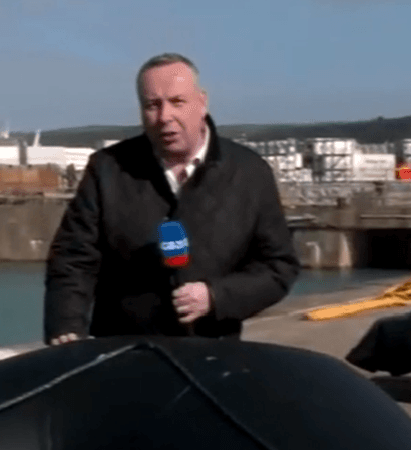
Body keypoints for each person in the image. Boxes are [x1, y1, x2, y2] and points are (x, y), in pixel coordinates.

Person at [44, 53, 300, 346]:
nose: (165, 116)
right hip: (124, 352)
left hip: (212, 352)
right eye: (153, 105)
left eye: (177, 102)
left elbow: (278, 266)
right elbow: (73, 259)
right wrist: (66, 327)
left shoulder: (249, 173)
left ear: (202, 103)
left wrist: (216, 296)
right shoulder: (107, 169)